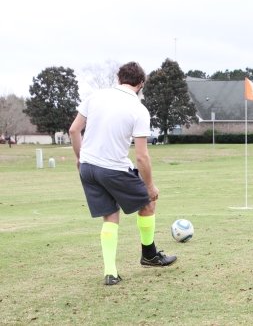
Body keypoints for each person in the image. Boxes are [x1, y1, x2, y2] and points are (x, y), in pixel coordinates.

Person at [69, 62, 176, 286]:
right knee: (147, 203)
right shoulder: (138, 109)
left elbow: (74, 130)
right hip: (113, 169)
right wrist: (150, 186)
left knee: (110, 215)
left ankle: (110, 272)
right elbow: (142, 157)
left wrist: (80, 158)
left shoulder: (96, 96)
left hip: (88, 168)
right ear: (141, 84)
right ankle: (149, 255)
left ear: (119, 79)